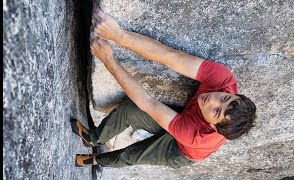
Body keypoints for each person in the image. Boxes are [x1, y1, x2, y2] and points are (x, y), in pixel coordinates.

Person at [71, 8, 257, 168]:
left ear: (212, 126)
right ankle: (93, 138)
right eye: (225, 98)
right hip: (182, 118)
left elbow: (148, 103)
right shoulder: (224, 80)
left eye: (216, 111)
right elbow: (170, 56)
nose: (213, 100)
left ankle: (95, 160)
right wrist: (119, 35)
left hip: (181, 150)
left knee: (132, 155)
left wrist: (109, 60)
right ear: (233, 94)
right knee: (129, 110)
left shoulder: (195, 136)